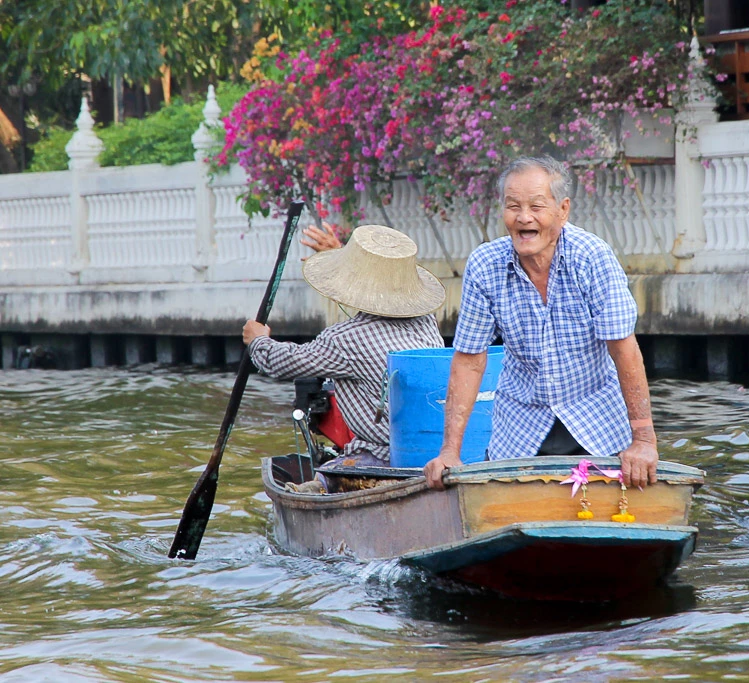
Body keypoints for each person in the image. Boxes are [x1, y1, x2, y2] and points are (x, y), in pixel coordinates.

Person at [423, 155, 658, 491]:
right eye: (513, 206)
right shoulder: (485, 264)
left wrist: (644, 441)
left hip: (596, 418)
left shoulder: (591, 257)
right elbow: (470, 359)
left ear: (563, 210)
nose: (523, 218)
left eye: (536, 206)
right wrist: (450, 452)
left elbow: (623, 348)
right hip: (520, 423)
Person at [244, 223, 445, 492]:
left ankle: (321, 485)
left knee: (333, 471)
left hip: (384, 454)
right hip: (437, 445)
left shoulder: (343, 340)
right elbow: (378, 303)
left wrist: (258, 341)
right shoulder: (426, 321)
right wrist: (343, 254)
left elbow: (279, 362)